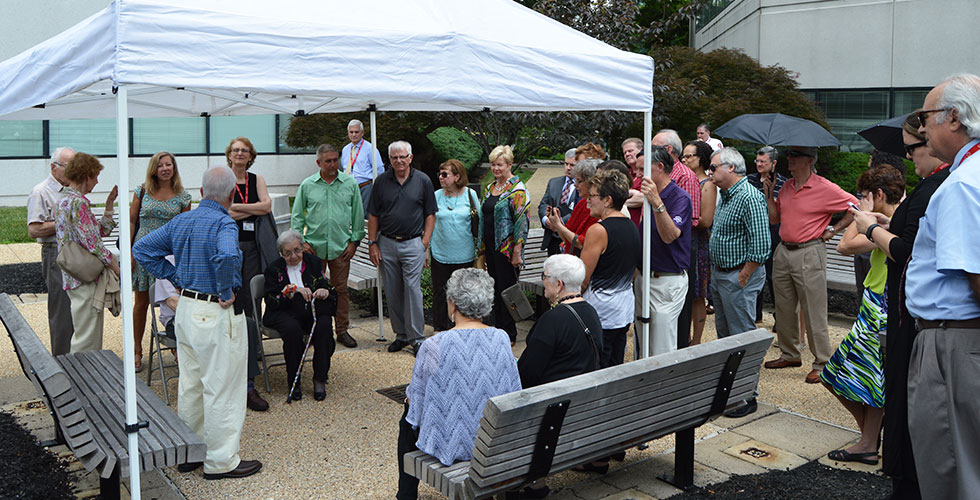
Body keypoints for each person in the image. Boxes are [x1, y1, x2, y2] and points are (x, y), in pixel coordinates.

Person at [133, 165, 262, 480]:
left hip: (187, 310)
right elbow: (228, 256)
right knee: (222, 388)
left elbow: (141, 248)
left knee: (190, 385)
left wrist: (174, 276)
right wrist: (226, 289)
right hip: (214, 311)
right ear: (232, 194)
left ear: (202, 192)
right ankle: (221, 461)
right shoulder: (224, 223)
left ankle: (190, 454)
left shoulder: (182, 220)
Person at [850, 111, 948, 499]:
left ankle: (905, 478)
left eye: (913, 148)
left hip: (910, 314)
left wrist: (871, 229)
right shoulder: (934, 184)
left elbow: (908, 251)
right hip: (909, 310)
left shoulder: (936, 187)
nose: (908, 156)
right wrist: (886, 224)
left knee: (906, 399)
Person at [903, 74, 980, 500]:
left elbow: (975, 276)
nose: (921, 128)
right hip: (960, 340)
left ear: (954, 117)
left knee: (952, 473)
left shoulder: (963, 184)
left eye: (924, 117)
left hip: (953, 343)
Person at [397, 268, 521, 500]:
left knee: (407, 417)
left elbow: (416, 405)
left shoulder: (434, 345)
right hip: (492, 439)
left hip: (453, 444)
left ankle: (405, 495)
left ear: (452, 304)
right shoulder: (501, 338)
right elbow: (513, 391)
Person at [821, 165, 906, 466]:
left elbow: (845, 245)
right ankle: (871, 437)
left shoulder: (889, 226)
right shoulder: (887, 223)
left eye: (864, 195)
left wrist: (863, 214)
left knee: (868, 378)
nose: (859, 201)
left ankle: (869, 442)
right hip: (873, 303)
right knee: (837, 375)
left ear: (878, 194)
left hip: (880, 307)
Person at [763, 145, 856, 384]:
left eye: (795, 155)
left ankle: (822, 362)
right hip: (784, 250)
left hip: (809, 251)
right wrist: (769, 195)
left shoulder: (824, 187)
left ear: (809, 160)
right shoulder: (786, 186)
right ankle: (790, 354)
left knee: (814, 309)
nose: (790, 159)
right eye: (789, 154)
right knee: (784, 307)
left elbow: (855, 206)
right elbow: (774, 219)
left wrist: (834, 229)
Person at [519, 254, 604, 484]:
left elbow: (527, 373)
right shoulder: (591, 312)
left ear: (558, 284)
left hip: (554, 410)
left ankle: (533, 484)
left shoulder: (551, 320)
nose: (542, 281)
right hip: (584, 402)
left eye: (544, 276)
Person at [708, 147, 770, 418]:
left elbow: (761, 245)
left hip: (738, 276)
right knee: (726, 338)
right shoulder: (725, 195)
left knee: (742, 337)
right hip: (722, 274)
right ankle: (730, 392)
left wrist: (743, 276)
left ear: (731, 167)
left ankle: (746, 396)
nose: (710, 172)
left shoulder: (749, 197)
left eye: (713, 167)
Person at [291, 143, 364, 349]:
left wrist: (354, 242)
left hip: (341, 248)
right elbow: (297, 217)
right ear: (318, 163)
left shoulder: (350, 184)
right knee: (313, 290)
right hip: (314, 249)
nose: (333, 164)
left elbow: (358, 216)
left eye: (335, 160)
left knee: (341, 291)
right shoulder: (307, 185)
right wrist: (302, 243)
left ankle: (342, 330)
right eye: (328, 161)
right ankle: (313, 330)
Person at [367, 141, 437, 353]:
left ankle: (417, 338)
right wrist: (372, 243)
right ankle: (401, 335)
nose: (398, 161)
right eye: (394, 157)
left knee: (413, 291)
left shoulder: (423, 180)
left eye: (402, 157)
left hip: (413, 243)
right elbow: (373, 215)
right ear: (389, 159)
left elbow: (430, 214)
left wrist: (424, 242)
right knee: (393, 291)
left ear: (410, 158)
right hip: (387, 243)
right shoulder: (381, 181)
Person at [226, 136, 276, 411]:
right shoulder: (223, 178)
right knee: (234, 297)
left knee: (253, 298)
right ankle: (235, 349)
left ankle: (253, 348)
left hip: (254, 247)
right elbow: (223, 213)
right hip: (229, 246)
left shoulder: (256, 179)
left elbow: (266, 207)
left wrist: (238, 209)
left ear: (251, 155)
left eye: (244, 150)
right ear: (229, 154)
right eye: (236, 150)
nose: (240, 154)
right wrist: (250, 211)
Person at [129, 151, 191, 371]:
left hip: (169, 256)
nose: (165, 169)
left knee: (173, 301)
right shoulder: (142, 191)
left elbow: (184, 229)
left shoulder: (183, 196)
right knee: (141, 304)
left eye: (169, 165)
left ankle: (176, 347)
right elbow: (132, 221)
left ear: (174, 168)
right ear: (153, 169)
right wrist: (129, 252)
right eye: (160, 165)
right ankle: (136, 350)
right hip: (143, 254)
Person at [54, 153, 119, 353]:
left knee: (83, 331)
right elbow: (94, 243)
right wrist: (116, 266)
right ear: (86, 175)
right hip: (85, 278)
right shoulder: (78, 203)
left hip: (73, 275)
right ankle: (82, 373)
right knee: (87, 339)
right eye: (95, 176)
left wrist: (109, 206)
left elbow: (95, 233)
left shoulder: (63, 200)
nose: (97, 181)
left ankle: (81, 370)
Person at [261, 230, 335, 402]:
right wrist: (290, 292)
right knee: (292, 330)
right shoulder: (273, 269)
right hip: (283, 312)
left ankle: (320, 378)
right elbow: (271, 299)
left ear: (302, 248)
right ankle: (294, 380)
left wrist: (323, 289)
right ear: (281, 253)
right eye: (287, 253)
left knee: (324, 325)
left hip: (309, 311)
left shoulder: (313, 262)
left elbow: (323, 282)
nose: (293, 256)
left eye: (297, 250)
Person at [580, 170, 640, 368]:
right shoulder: (632, 226)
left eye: (592, 196)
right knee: (616, 363)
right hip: (623, 309)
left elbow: (583, 279)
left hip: (601, 311)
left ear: (607, 200)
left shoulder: (598, 230)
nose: (588, 201)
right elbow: (634, 271)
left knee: (598, 366)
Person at [636, 146, 692, 357]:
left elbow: (670, 235)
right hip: (643, 278)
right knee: (643, 344)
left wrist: (657, 203)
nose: (638, 175)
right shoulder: (645, 195)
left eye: (642, 169)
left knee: (661, 349)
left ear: (660, 167)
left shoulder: (680, 198)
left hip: (667, 281)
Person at [653, 129, 701, 351]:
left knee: (675, 323)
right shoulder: (651, 182)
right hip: (653, 265)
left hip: (679, 252)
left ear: (668, 150)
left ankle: (680, 349)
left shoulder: (685, 177)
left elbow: (691, 219)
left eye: (654, 147)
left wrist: (659, 205)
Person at [27, 146, 75, 355]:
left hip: (75, 253)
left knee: (78, 309)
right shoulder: (41, 192)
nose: (73, 171)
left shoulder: (72, 189)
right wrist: (65, 222)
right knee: (62, 311)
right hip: (55, 252)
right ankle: (62, 360)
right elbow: (34, 229)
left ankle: (80, 359)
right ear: (54, 167)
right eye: (68, 166)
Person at [481, 145, 529, 343]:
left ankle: (509, 333)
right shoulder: (490, 188)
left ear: (509, 165)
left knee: (506, 291)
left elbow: (522, 223)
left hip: (507, 250)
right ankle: (496, 329)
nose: (495, 168)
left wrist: (517, 251)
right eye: (493, 164)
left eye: (499, 165)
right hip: (490, 247)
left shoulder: (517, 190)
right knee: (494, 289)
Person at [430, 159, 480, 331]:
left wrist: (481, 249)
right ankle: (439, 329)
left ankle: (461, 327)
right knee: (440, 292)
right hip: (440, 253)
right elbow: (428, 223)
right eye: (440, 174)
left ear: (457, 177)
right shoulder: (436, 195)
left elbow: (479, 222)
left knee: (463, 292)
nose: (441, 177)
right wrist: (426, 249)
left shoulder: (470, 195)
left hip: (464, 253)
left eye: (445, 174)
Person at [746, 146, 787, 327]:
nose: (759, 164)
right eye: (758, 161)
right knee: (753, 270)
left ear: (774, 163)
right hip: (753, 231)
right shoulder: (749, 180)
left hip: (773, 231)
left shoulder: (783, 183)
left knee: (773, 275)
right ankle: (755, 314)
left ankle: (780, 318)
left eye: (763, 161)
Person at [682, 140, 717, 345]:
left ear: (701, 158)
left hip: (699, 243)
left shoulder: (708, 185)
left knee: (697, 294)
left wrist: (682, 218)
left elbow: (706, 220)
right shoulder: (685, 180)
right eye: (684, 156)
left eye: (689, 156)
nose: (685, 160)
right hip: (684, 241)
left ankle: (696, 340)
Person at [546, 158, 600, 256]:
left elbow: (581, 243)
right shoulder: (582, 203)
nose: (575, 185)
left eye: (579, 181)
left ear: (590, 182)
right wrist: (557, 222)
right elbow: (566, 238)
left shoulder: (598, 208)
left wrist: (558, 224)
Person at [538, 148, 577, 255]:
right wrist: (547, 220)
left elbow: (578, 210)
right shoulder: (553, 182)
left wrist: (558, 223)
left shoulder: (584, 186)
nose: (568, 168)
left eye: (572, 165)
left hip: (571, 239)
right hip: (552, 241)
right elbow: (543, 204)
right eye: (566, 164)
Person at [342, 119, 385, 215]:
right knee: (351, 214)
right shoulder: (345, 149)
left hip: (365, 187)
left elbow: (379, 169)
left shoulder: (370, 148)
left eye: (356, 132)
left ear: (362, 133)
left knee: (365, 215)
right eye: (351, 132)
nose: (354, 135)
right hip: (349, 187)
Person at [621, 138, 648, 228]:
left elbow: (644, 198)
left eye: (630, 151)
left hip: (640, 226)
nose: (627, 154)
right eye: (625, 152)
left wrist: (619, 203)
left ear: (641, 150)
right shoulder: (624, 174)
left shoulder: (649, 174)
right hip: (625, 225)